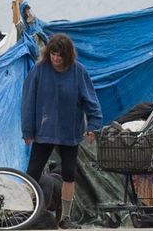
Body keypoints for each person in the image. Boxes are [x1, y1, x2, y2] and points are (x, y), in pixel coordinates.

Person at [21, 34, 102, 229]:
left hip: (69, 131)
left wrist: (93, 125)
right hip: (44, 130)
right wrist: (28, 130)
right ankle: (25, 213)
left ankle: (65, 217)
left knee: (69, 174)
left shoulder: (78, 72)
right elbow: (28, 101)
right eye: (53, 54)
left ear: (68, 56)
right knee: (32, 173)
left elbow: (91, 100)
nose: (56, 59)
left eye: (60, 55)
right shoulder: (39, 71)